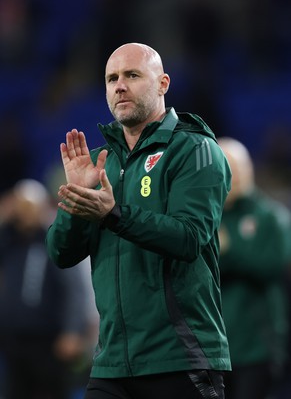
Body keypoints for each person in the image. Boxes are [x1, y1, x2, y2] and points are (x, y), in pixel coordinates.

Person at [46, 42, 232, 399]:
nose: (119, 85)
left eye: (132, 75)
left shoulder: (195, 150)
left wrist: (112, 215)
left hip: (180, 358)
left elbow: (189, 237)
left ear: (163, 84)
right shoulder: (98, 163)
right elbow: (61, 253)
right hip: (111, 363)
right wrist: (75, 203)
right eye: (111, 78)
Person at [0, 179, 95, 399]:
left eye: (29, 206)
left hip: (49, 339)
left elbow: (74, 289)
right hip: (13, 338)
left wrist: (72, 330)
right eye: (21, 207)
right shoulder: (9, 241)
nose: (25, 213)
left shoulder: (53, 239)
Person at [217, 137, 291, 399]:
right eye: (227, 167)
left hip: (258, 346)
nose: (234, 175)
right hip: (215, 349)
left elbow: (272, 264)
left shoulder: (270, 216)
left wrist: (228, 249)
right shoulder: (206, 218)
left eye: (239, 167)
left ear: (250, 169)